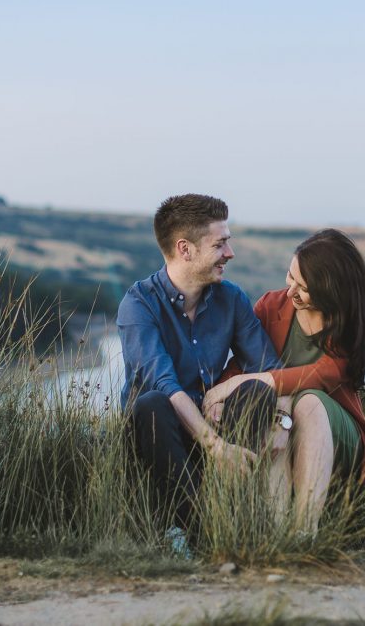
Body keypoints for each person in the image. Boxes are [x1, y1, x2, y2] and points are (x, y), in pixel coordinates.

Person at [117, 194, 282, 536]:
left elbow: (269, 368)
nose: (230, 254)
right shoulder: (138, 304)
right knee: (151, 404)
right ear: (185, 249)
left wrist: (227, 393)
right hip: (158, 436)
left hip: (211, 423)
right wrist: (215, 446)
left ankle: (236, 509)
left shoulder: (231, 298)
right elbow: (164, 385)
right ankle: (202, 530)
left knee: (255, 390)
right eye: (220, 244)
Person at [204, 228, 365, 531]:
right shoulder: (271, 306)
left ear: (331, 291)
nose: (290, 291)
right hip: (279, 424)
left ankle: (305, 531)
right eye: (290, 277)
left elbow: (318, 376)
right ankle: (275, 533)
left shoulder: (350, 323)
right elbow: (243, 362)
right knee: (275, 413)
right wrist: (222, 394)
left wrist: (239, 384)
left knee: (309, 401)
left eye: (302, 287)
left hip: (334, 433)